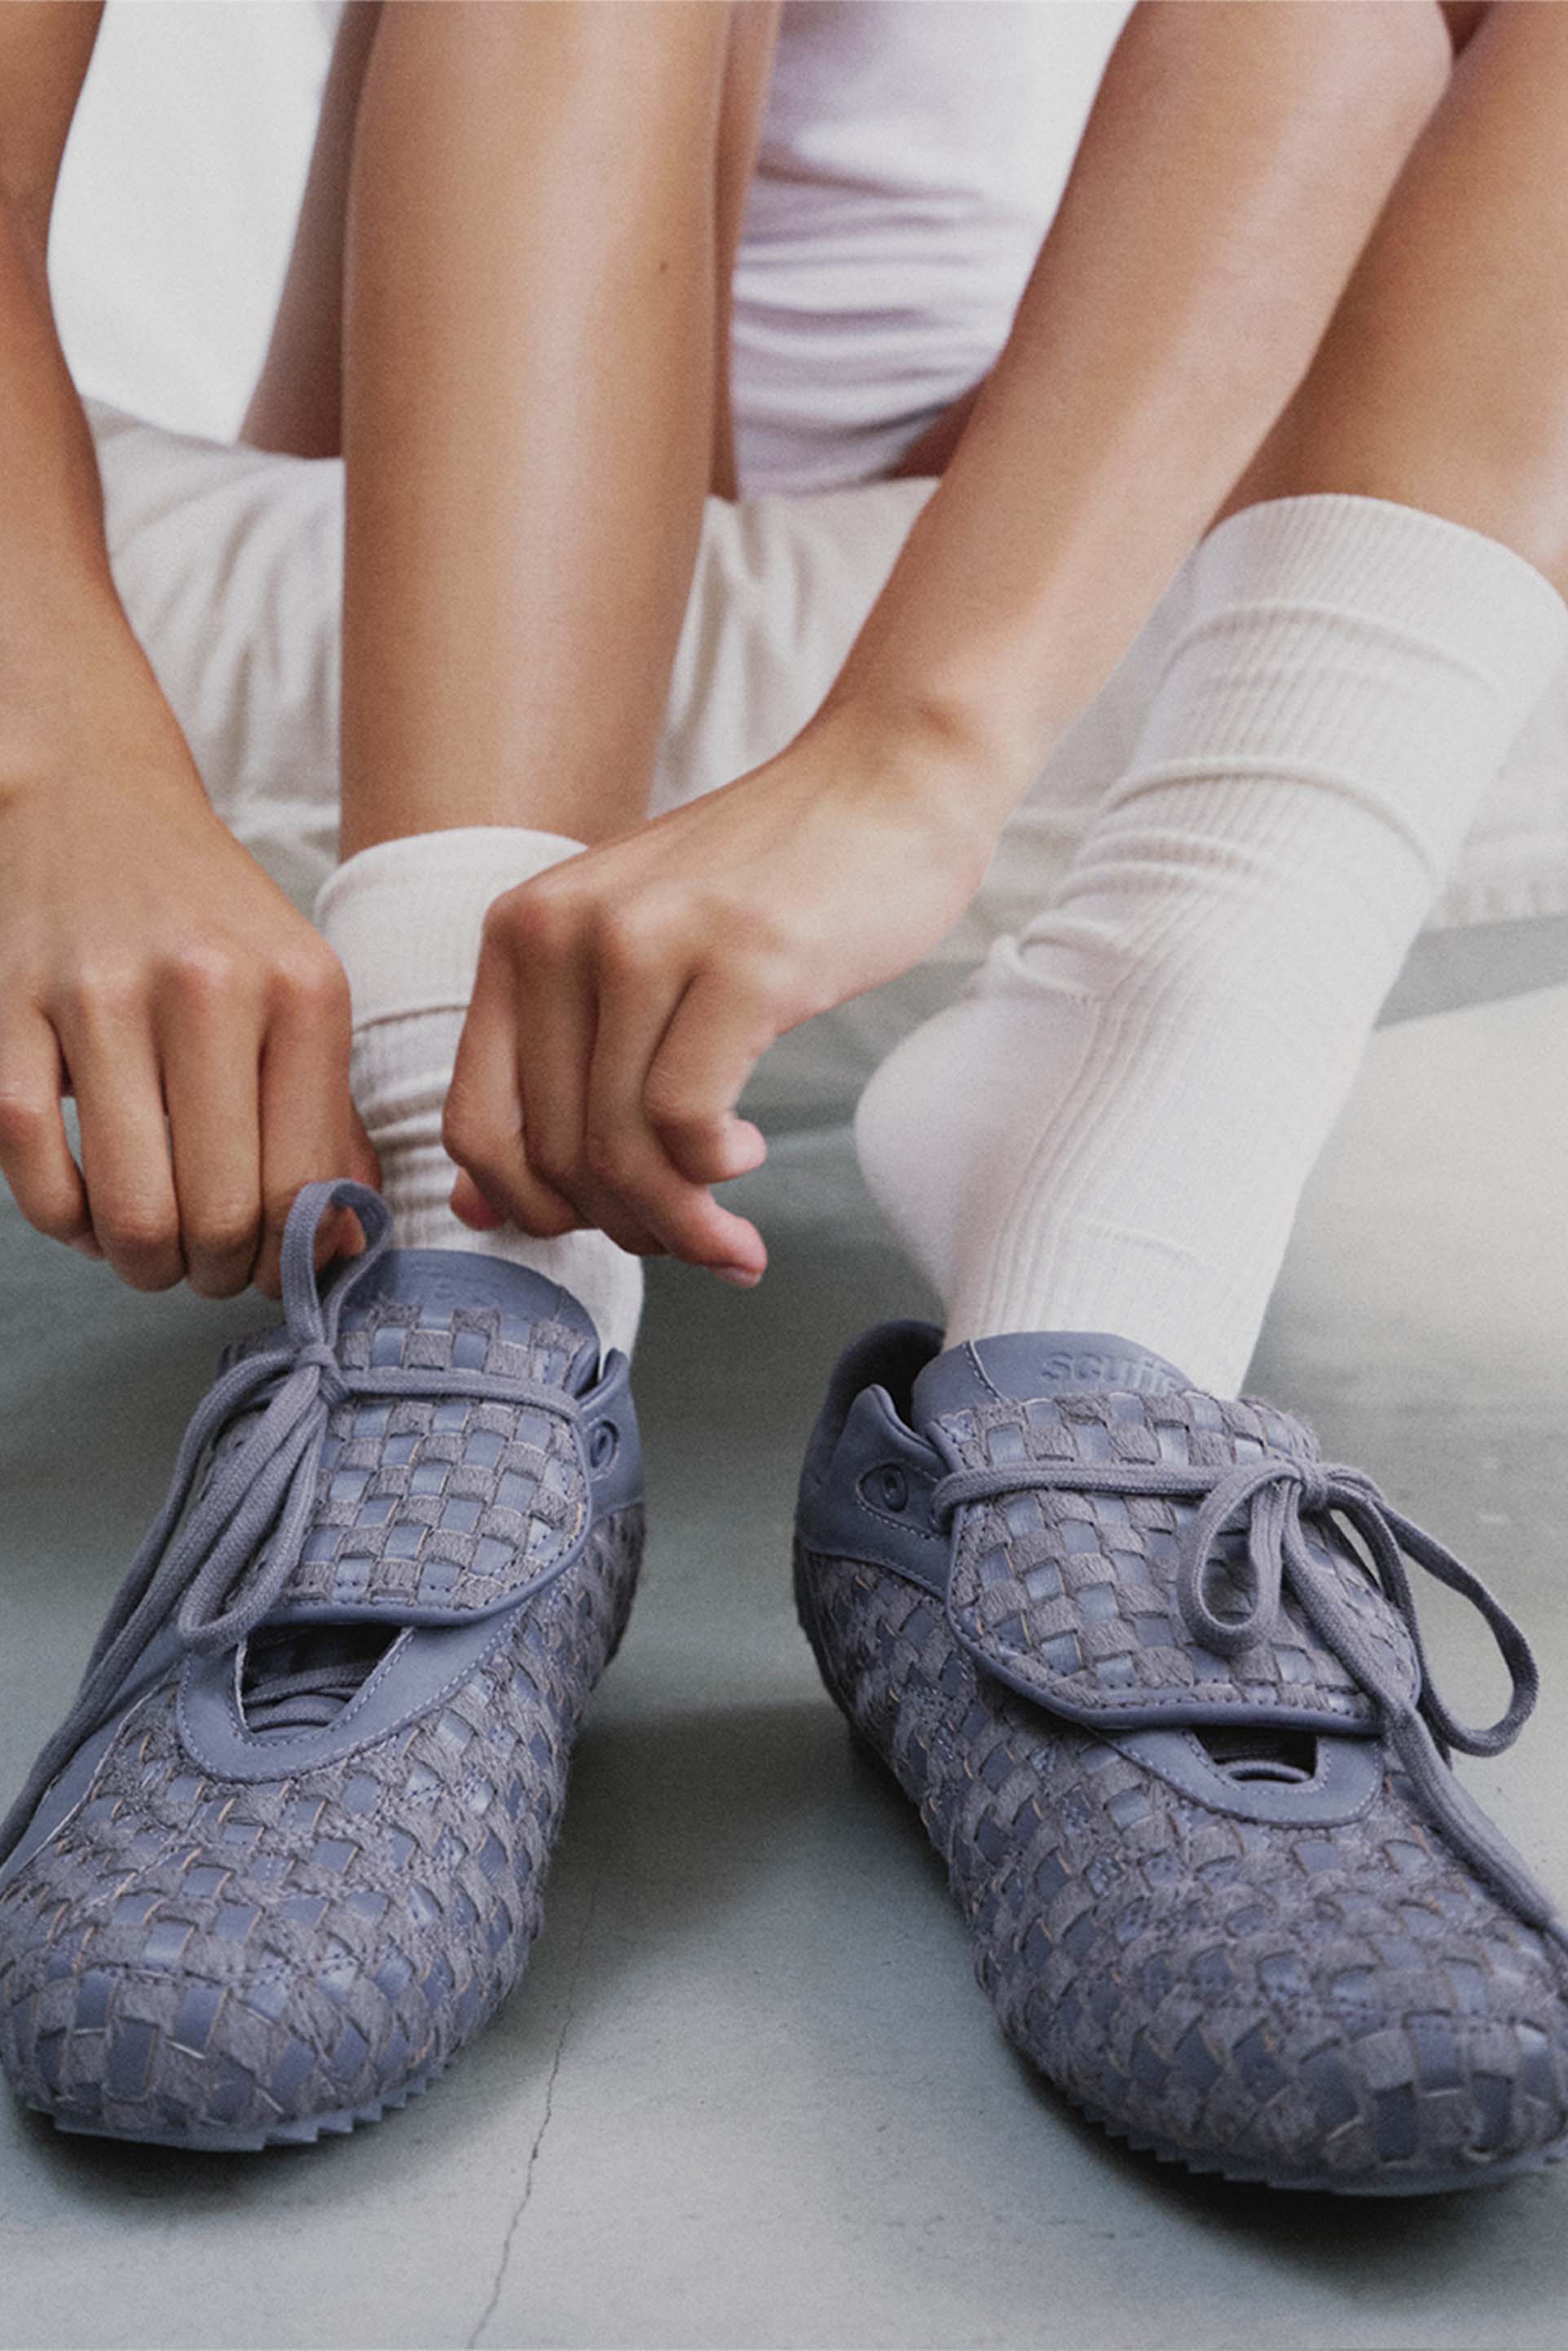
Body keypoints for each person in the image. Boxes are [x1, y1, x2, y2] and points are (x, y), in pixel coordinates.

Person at [0, 0, 1564, 2188]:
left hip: (1069, 590)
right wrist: (51, 752)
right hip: (319, 614)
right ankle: (474, 1277)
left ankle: (1126, 1169)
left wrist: (915, 745)